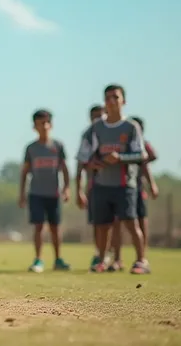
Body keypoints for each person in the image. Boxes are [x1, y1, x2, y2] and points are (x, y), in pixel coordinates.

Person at [76, 85, 150, 274]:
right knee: (102, 226)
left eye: (115, 97)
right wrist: (92, 163)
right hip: (101, 184)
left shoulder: (131, 127)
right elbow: (83, 155)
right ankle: (101, 260)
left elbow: (141, 155)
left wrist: (121, 158)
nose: (111, 101)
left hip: (124, 184)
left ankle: (141, 261)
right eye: (107, 98)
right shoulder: (96, 128)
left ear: (123, 101)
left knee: (131, 223)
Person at [18, 109, 71, 273]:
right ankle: (38, 260)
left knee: (55, 227)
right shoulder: (31, 148)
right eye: (40, 123)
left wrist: (67, 188)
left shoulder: (58, 146)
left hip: (53, 194)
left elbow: (64, 169)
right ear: (34, 126)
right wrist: (21, 193)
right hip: (36, 194)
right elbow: (25, 172)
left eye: (47, 122)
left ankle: (58, 259)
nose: (44, 126)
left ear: (51, 124)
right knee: (39, 227)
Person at [105, 116, 159, 272]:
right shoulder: (125, 143)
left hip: (138, 188)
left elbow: (149, 158)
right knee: (117, 223)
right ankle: (117, 259)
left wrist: (152, 184)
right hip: (123, 186)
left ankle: (142, 258)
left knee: (139, 222)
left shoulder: (141, 144)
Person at [75, 105, 105, 269]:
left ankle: (115, 257)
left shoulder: (113, 132)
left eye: (100, 116)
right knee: (98, 223)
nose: (97, 119)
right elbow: (80, 164)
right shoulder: (87, 135)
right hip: (95, 186)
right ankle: (100, 253)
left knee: (115, 224)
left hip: (117, 185)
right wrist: (79, 190)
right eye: (94, 116)